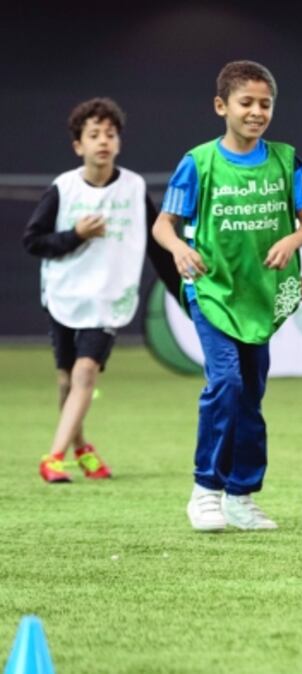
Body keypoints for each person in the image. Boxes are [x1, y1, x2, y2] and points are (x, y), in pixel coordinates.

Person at [153, 60, 302, 531]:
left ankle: (241, 496)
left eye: (265, 103)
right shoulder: (199, 163)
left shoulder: (287, 159)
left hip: (263, 294)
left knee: (250, 396)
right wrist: (180, 249)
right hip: (213, 292)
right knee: (225, 385)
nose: (256, 112)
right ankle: (205, 490)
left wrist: (292, 240)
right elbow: (163, 225)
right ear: (221, 106)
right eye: (246, 102)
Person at [22, 97, 176, 483]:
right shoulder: (63, 189)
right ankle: (81, 448)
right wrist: (76, 235)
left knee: (85, 372)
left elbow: (157, 245)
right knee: (66, 380)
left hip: (109, 298)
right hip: (65, 295)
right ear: (79, 146)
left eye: (110, 134)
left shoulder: (134, 188)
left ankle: (53, 457)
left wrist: (182, 293)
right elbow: (34, 241)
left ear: (119, 143)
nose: (103, 141)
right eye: (94, 135)